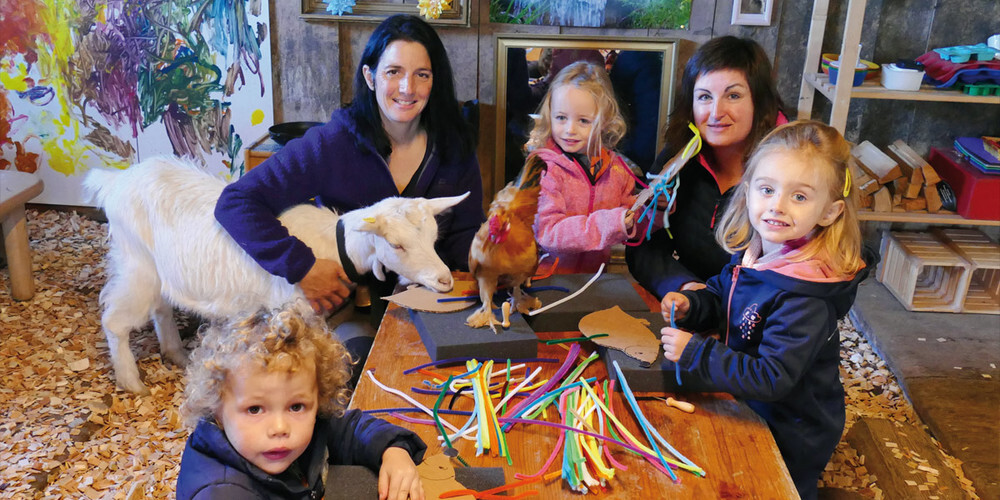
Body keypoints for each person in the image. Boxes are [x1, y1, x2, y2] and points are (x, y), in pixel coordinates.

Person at [214, 14, 484, 383]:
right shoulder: (332, 143)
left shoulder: (455, 149)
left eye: (422, 74)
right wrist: (303, 266)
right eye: (393, 72)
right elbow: (236, 203)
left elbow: (465, 234)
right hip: (350, 307)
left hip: (431, 302)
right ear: (370, 77)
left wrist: (494, 260)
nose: (407, 87)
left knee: (459, 377)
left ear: (434, 82)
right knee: (357, 375)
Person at [659, 121, 877, 500]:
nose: (777, 205)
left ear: (829, 211)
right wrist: (694, 305)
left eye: (799, 197)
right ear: (748, 194)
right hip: (756, 404)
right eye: (767, 189)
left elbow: (772, 377)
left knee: (774, 486)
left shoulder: (806, 298)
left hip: (793, 427)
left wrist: (696, 352)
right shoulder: (763, 252)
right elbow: (725, 296)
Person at [176, 303, 427, 500]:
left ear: (318, 399)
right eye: (254, 409)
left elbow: (349, 429)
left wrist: (393, 451)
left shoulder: (291, 434)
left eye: (296, 406)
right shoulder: (222, 493)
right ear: (217, 412)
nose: (279, 428)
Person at [626, 36, 787, 298]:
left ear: (759, 101)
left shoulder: (791, 167)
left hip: (767, 318)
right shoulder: (676, 159)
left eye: (733, 95)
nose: (716, 112)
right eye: (704, 97)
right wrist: (683, 286)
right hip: (694, 306)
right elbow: (644, 244)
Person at [526, 61, 637, 273]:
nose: (569, 130)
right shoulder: (544, 169)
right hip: (545, 279)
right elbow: (549, 234)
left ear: (604, 120)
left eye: (584, 121)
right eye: (561, 118)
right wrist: (611, 223)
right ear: (550, 115)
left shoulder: (618, 170)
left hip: (595, 280)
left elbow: (633, 222)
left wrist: (656, 209)